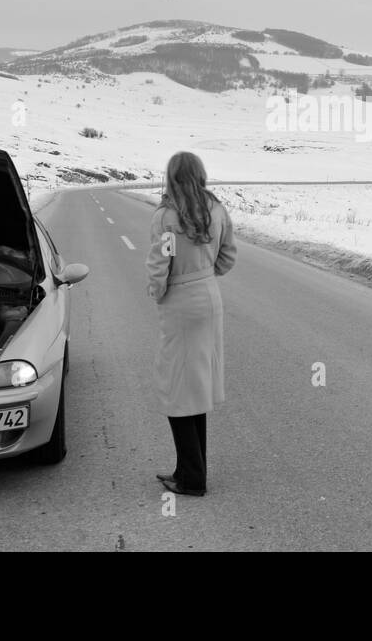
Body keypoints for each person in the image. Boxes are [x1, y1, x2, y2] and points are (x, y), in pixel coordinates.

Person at [146, 151, 236, 496]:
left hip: (181, 302)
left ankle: (192, 478)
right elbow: (228, 255)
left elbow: (160, 263)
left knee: (177, 388)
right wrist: (204, 275)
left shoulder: (167, 217)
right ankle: (190, 468)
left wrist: (158, 292)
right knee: (195, 384)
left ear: (172, 177)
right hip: (209, 297)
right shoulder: (217, 209)